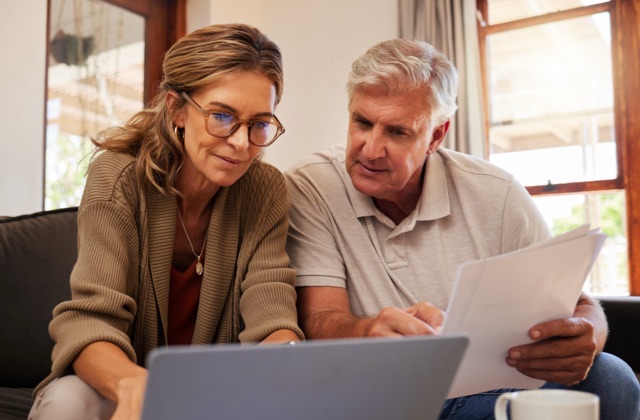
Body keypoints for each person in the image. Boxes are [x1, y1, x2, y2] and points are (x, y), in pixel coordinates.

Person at [285, 38, 639, 419]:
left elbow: (578, 304)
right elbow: (320, 318)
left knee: (613, 379)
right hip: (381, 390)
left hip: (491, 384)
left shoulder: (496, 192)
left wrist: (587, 334)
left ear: (436, 136)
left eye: (398, 132)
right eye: (362, 122)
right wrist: (368, 332)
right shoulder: (311, 185)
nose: (371, 149)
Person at [29, 23, 303, 420]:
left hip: (214, 396)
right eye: (222, 116)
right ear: (176, 109)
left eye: (259, 124)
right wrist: (134, 386)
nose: (242, 143)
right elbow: (90, 321)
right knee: (69, 400)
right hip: (121, 384)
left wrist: (288, 359)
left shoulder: (265, 190)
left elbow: (270, 312)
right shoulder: (118, 177)